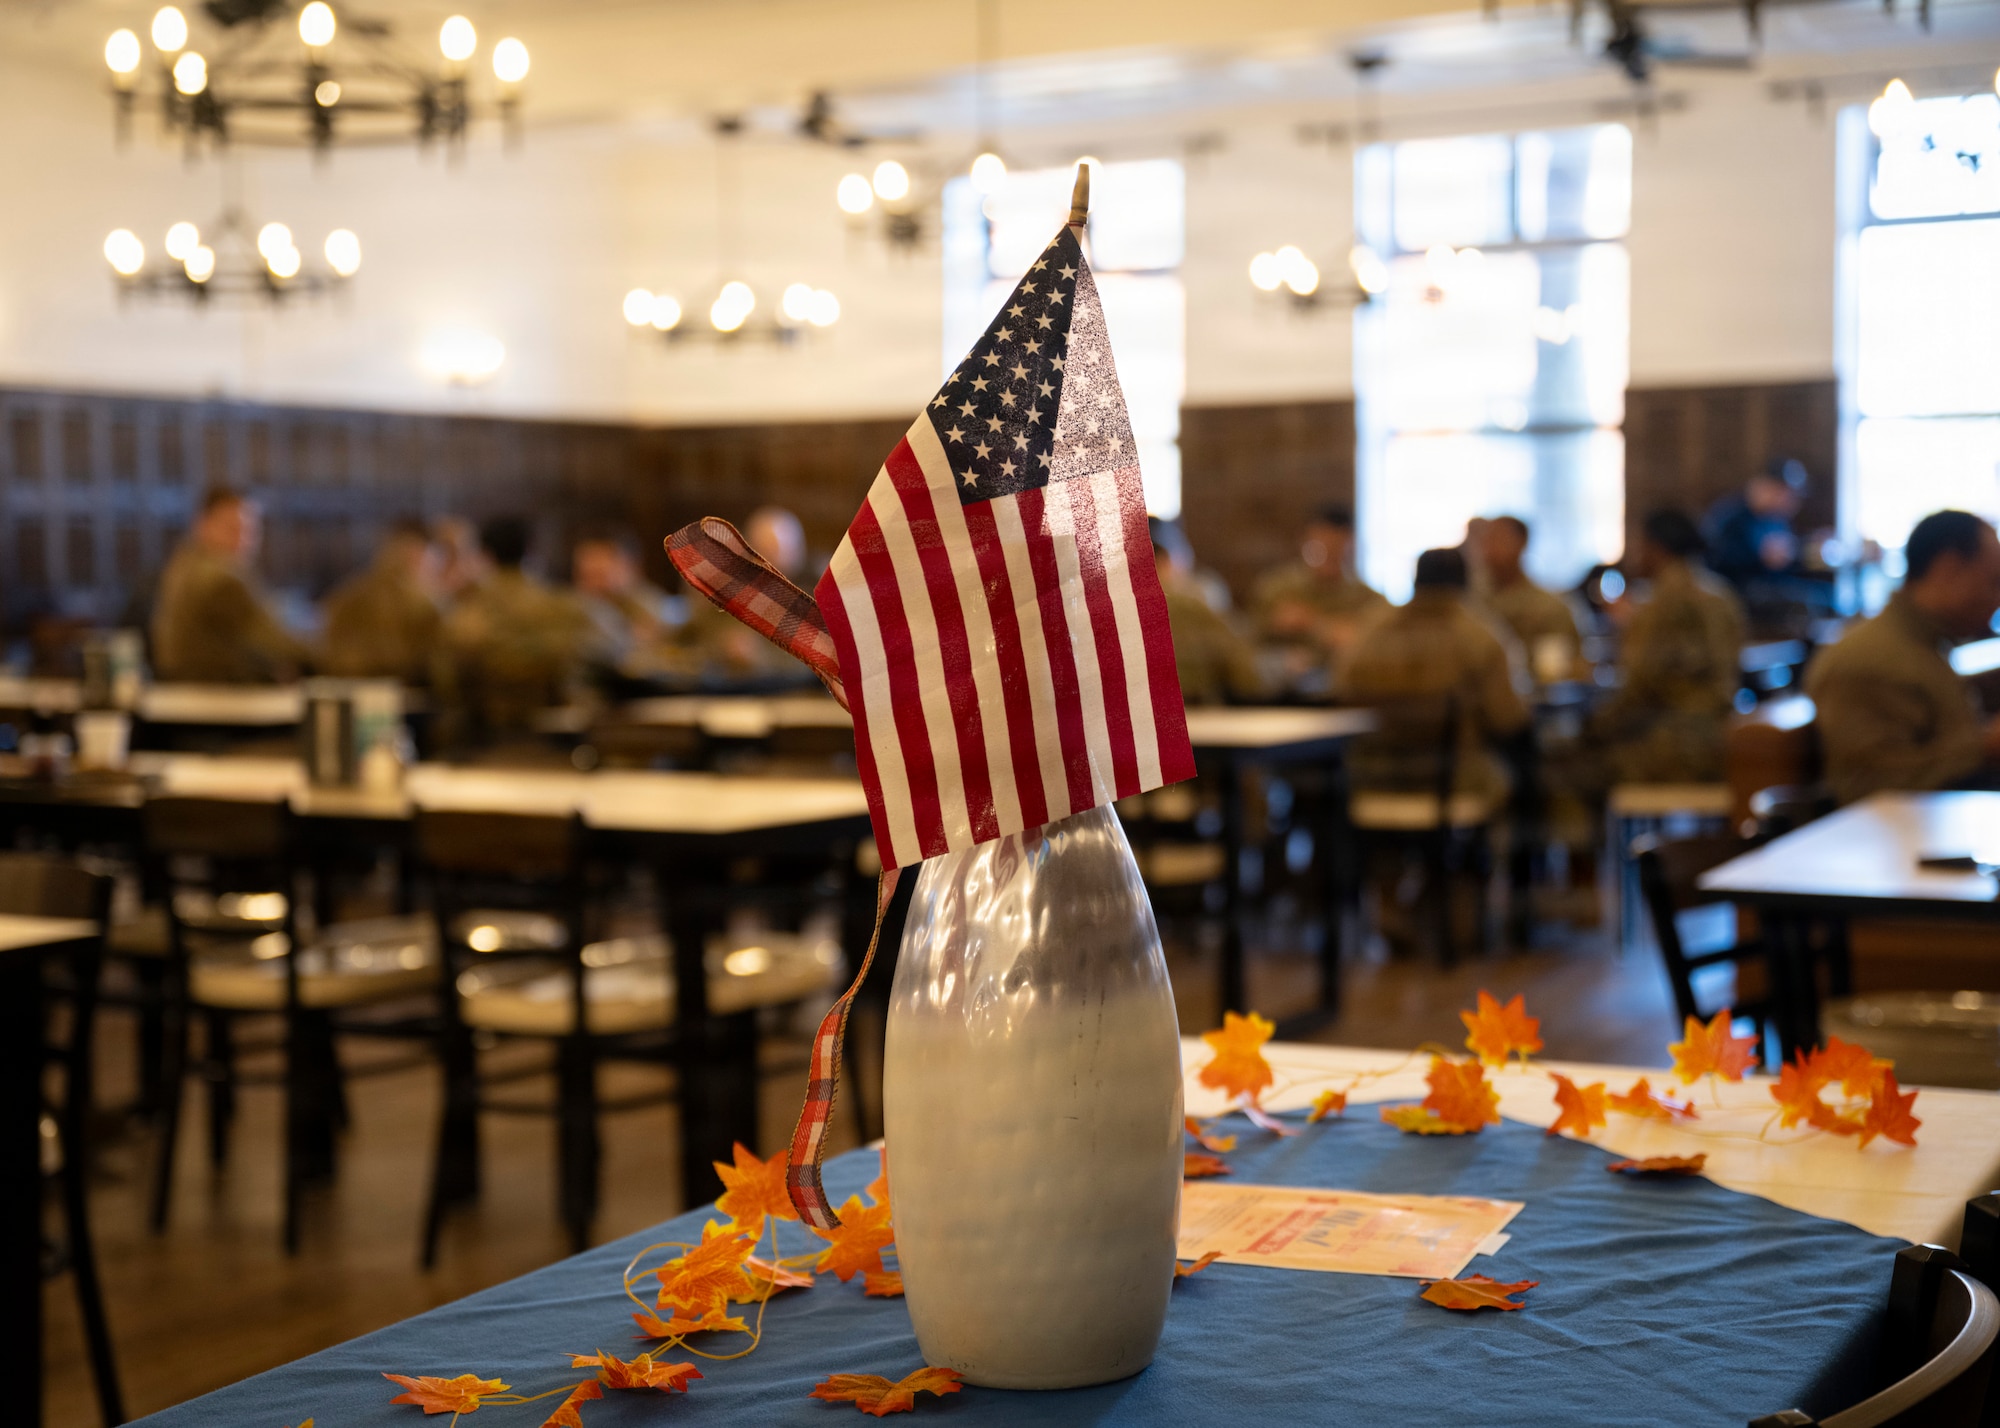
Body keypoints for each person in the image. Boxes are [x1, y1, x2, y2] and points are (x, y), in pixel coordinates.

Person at [1805, 510, 2000, 803]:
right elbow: (1870, 788)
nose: (1997, 600)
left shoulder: (1923, 644)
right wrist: (1985, 745)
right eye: (1994, 582)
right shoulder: (1869, 658)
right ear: (1949, 570)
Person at [1337, 547, 1529, 804]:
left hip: (1373, 780)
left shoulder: (1369, 633)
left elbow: (1339, 693)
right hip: (1456, 783)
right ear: (1466, 581)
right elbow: (1508, 719)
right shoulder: (1480, 637)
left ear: (1416, 580)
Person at [1589, 510, 1746, 785]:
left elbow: (1638, 686)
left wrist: (1593, 727)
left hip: (1678, 749)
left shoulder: (1661, 603)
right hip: (1723, 737)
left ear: (1656, 548)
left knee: (1574, 770)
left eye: (1639, 545)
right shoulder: (1720, 593)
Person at [431, 515, 593, 756]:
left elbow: (445, 682)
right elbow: (598, 660)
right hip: (559, 744)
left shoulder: (462, 613)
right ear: (530, 550)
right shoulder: (565, 607)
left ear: (485, 554)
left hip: (480, 744)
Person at [150, 486, 309, 683]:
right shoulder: (221, 580)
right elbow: (277, 641)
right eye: (232, 528)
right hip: (214, 694)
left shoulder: (185, 564)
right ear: (203, 526)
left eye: (250, 531)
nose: (243, 540)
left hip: (191, 688)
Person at [1251, 505, 1389, 685]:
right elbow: (1248, 644)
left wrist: (1312, 622)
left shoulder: (1368, 599)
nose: (1327, 555)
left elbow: (1364, 643)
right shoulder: (1276, 589)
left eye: (1336, 548)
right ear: (1304, 543)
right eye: (1319, 547)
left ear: (1351, 546)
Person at [675, 504, 812, 684]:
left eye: (775, 552)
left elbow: (817, 665)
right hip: (725, 690)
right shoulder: (728, 589)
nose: (767, 562)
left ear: (797, 554)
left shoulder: (811, 599)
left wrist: (759, 657)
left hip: (787, 693)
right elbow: (688, 640)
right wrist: (721, 648)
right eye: (760, 551)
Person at [1151, 518, 1264, 705]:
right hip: (1195, 715)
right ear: (1167, 561)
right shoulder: (1193, 603)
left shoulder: (1099, 611)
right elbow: (1245, 673)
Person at [319, 517, 442, 684]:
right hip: (405, 694)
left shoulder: (347, 594)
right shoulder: (424, 604)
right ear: (417, 555)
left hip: (351, 688)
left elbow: (327, 651)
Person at [1478, 516, 1583, 684]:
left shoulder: (1549, 607)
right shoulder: (1471, 605)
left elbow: (1553, 672)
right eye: (1486, 540)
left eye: (1498, 539)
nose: (1489, 549)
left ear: (1522, 544)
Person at [572, 530, 679, 667]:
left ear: (631, 569)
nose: (593, 586)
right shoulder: (571, 613)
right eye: (585, 576)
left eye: (600, 576)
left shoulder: (655, 607)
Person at [1704, 460, 1806, 593]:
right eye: (1782, 492)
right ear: (1761, 486)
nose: (1789, 500)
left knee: (1824, 594)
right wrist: (1760, 558)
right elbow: (1714, 560)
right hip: (1737, 590)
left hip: (1771, 585)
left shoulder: (1777, 520)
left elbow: (1785, 563)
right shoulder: (1730, 515)